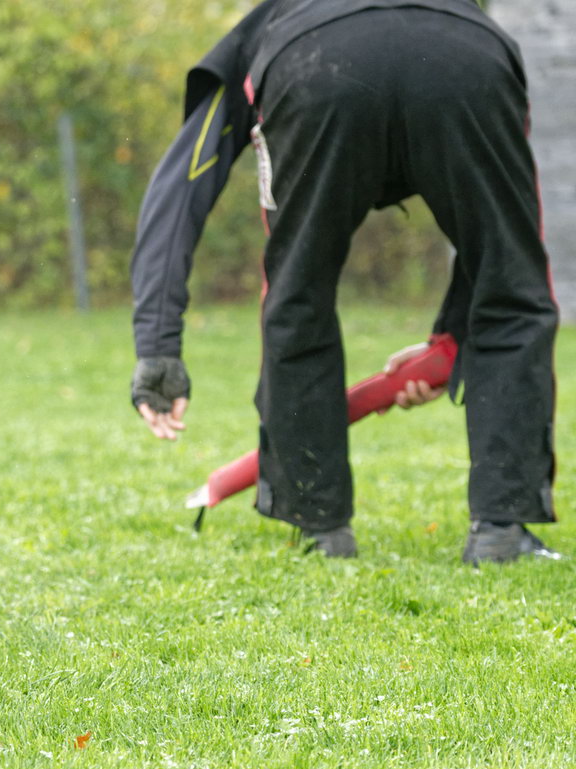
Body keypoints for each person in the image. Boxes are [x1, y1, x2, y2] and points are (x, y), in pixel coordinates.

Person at [128, 0, 560, 563]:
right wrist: (456, 336)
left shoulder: (267, 25)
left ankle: (321, 525)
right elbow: (501, 244)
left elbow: (183, 184)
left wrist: (158, 349)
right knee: (514, 290)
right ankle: (502, 531)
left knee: (297, 294)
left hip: (315, 65)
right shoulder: (468, 17)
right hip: (466, 61)